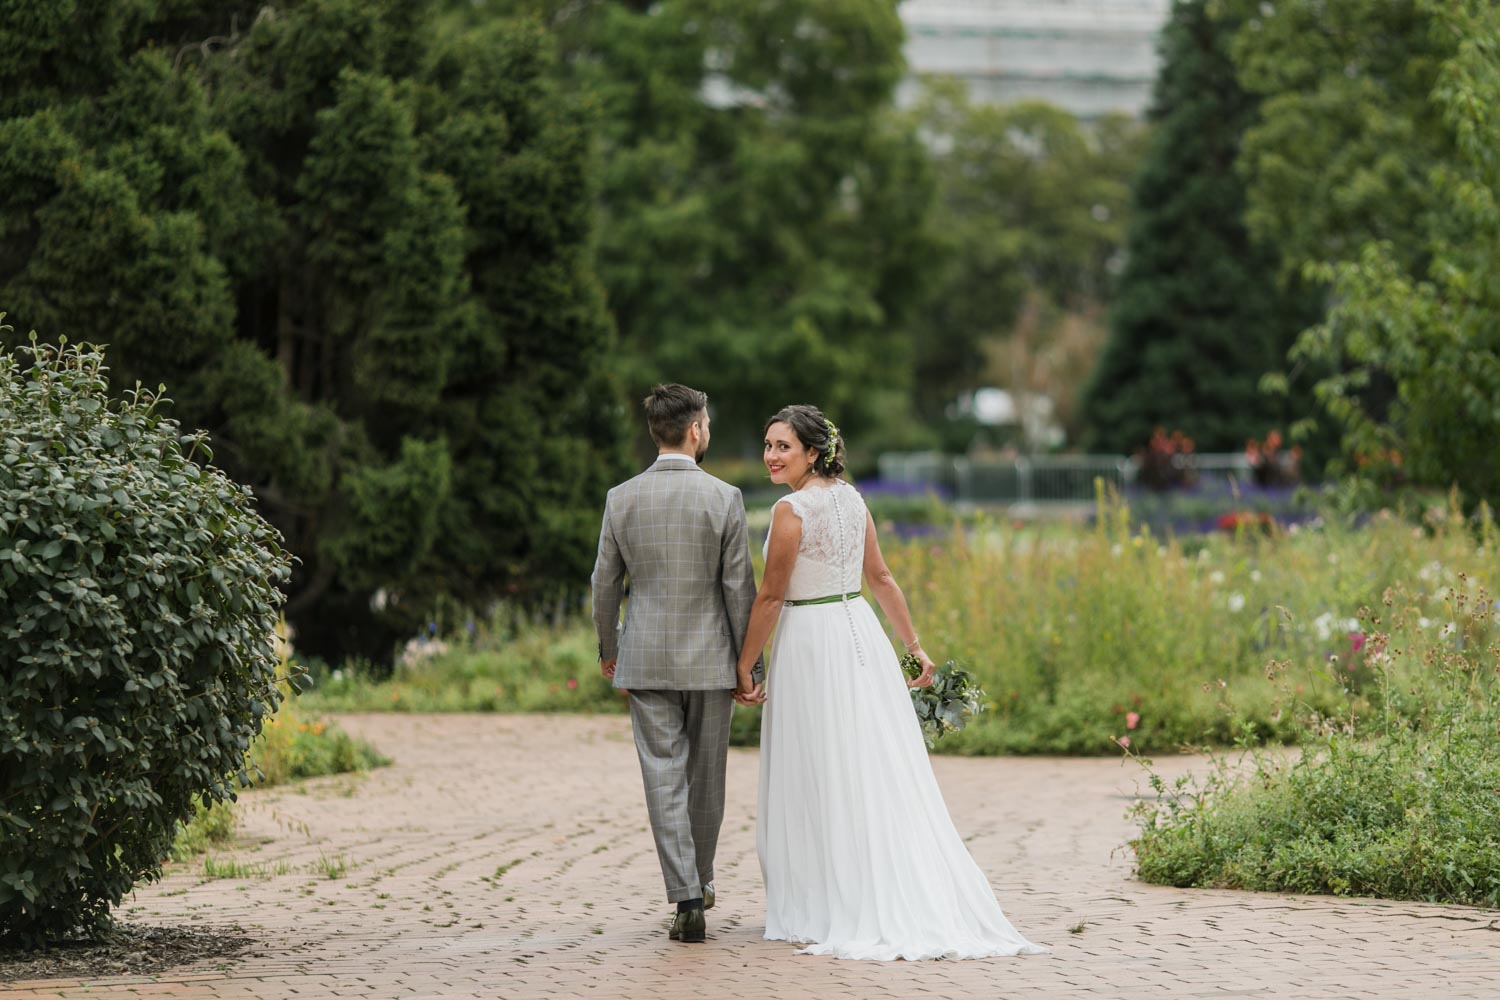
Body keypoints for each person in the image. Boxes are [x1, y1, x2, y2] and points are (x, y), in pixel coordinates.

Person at [734, 404, 1047, 961]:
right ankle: (850, 888)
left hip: (811, 640)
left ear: (812, 451)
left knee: (821, 762)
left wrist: (745, 663)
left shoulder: (790, 511)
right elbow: (878, 579)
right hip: (860, 631)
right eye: (768, 445)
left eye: (783, 446)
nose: (771, 456)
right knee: (864, 759)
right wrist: (911, 645)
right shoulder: (854, 500)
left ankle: (828, 900)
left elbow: (773, 596)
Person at [591, 384, 760, 944]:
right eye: (707, 423)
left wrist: (609, 648)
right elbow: (740, 588)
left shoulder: (621, 498)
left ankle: (687, 894)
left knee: (662, 777)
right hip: (712, 660)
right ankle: (701, 880)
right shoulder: (725, 498)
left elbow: (604, 584)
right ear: (696, 430)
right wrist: (748, 664)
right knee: (706, 779)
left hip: (645, 657)